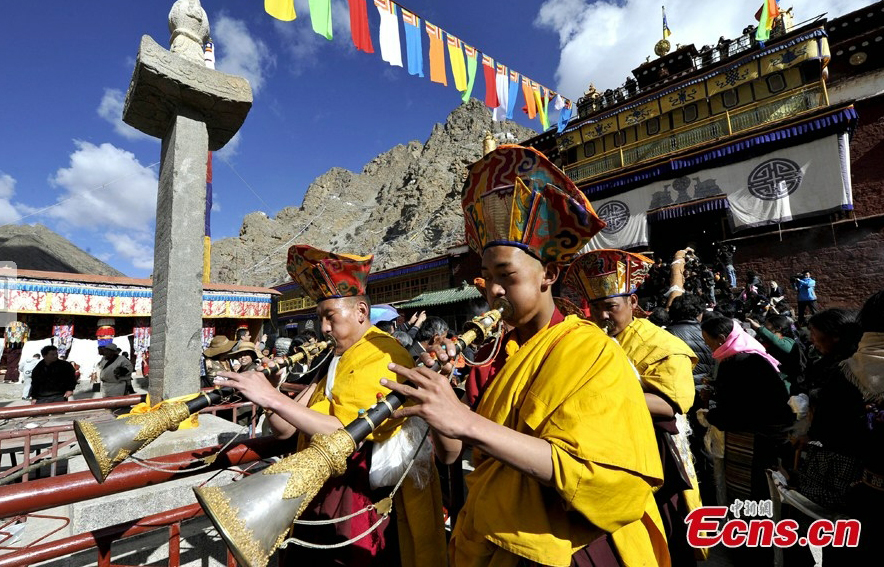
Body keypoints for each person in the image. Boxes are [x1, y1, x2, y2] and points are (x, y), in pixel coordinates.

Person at [383, 146, 668, 567]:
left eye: (507, 277)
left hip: (568, 545)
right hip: (497, 538)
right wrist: (436, 403)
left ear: (548, 275)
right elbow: (451, 453)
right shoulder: (497, 355)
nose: (494, 292)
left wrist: (467, 421)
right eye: (488, 280)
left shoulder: (590, 351)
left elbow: (595, 476)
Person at [215, 244, 446, 567]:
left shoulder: (382, 354)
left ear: (361, 313)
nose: (322, 328)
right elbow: (284, 430)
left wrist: (272, 398)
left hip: (357, 494)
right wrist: (272, 390)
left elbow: (346, 431)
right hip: (319, 486)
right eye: (319, 317)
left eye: (330, 317)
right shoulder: (339, 357)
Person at [566, 249, 704, 565]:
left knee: (669, 540)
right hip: (609, 460)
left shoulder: (661, 345)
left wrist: (602, 398)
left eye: (611, 307)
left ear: (632, 304)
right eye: (596, 308)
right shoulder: (594, 342)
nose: (602, 316)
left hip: (657, 459)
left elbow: (671, 405)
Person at [699, 315, 794, 501]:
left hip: (753, 437)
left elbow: (736, 410)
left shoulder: (736, 362)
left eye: (707, 340)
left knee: (752, 493)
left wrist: (711, 416)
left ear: (720, 338)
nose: (707, 344)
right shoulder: (752, 355)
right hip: (770, 434)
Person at [665, 293, 715, 386]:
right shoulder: (710, 334)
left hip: (678, 388)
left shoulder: (664, 334)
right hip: (705, 388)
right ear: (699, 313)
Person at [748, 314, 804, 392]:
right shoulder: (765, 340)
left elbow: (778, 343)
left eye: (766, 326)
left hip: (786, 383)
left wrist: (759, 329)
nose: (764, 327)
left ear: (778, 328)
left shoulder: (789, 341)